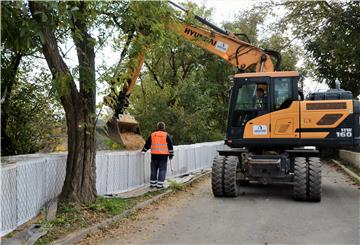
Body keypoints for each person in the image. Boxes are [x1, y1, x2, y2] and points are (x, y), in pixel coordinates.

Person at [142, 122, 174, 189]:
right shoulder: (166, 135)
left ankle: (153, 184)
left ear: (157, 127)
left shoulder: (153, 135)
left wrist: (143, 151)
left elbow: (147, 144)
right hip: (163, 156)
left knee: (153, 170)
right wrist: (171, 154)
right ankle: (159, 185)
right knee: (162, 170)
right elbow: (170, 146)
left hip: (154, 156)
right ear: (164, 127)